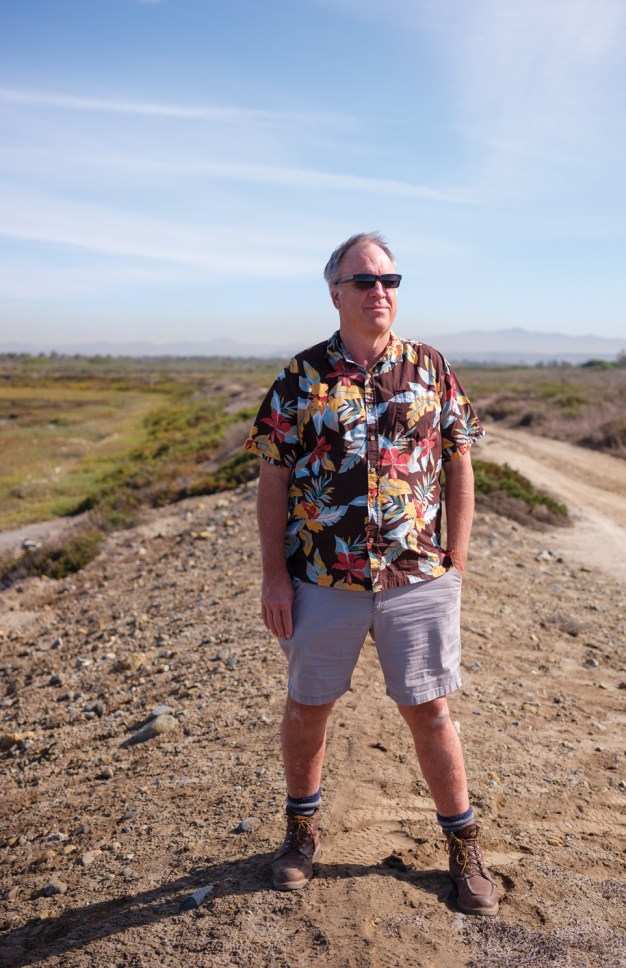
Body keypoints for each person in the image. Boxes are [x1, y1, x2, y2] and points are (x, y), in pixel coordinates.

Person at [245, 231, 499, 916]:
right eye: (364, 282)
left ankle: (463, 848)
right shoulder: (302, 377)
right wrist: (274, 576)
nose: (379, 292)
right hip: (322, 577)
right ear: (336, 293)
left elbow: (460, 459)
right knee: (307, 707)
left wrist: (457, 559)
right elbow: (272, 478)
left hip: (416, 578)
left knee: (431, 712)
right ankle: (300, 834)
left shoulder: (430, 366)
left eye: (389, 281)